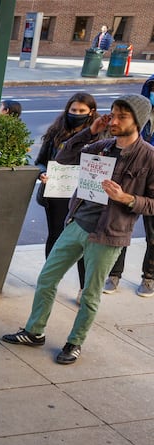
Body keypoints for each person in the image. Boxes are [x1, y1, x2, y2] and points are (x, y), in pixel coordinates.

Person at [3, 94, 154, 365]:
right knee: (47, 278)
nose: (115, 120)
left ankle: (75, 342)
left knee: (90, 294)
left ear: (138, 121)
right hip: (78, 223)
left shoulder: (149, 158)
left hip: (108, 234)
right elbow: (63, 158)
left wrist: (127, 199)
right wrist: (90, 131)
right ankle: (34, 331)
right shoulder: (103, 146)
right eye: (113, 114)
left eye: (123, 116)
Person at [35, 93, 100, 305]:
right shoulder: (56, 131)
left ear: (91, 112)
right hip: (56, 193)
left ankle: (84, 287)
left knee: (83, 242)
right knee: (55, 236)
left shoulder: (101, 137)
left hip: (83, 198)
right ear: (67, 110)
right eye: (74, 110)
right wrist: (42, 173)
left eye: (82, 111)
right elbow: (40, 161)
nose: (77, 114)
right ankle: (49, 281)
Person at [103, 75, 154, 297]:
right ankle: (114, 273)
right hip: (133, 168)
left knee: (153, 233)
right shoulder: (147, 91)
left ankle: (149, 276)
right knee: (121, 224)